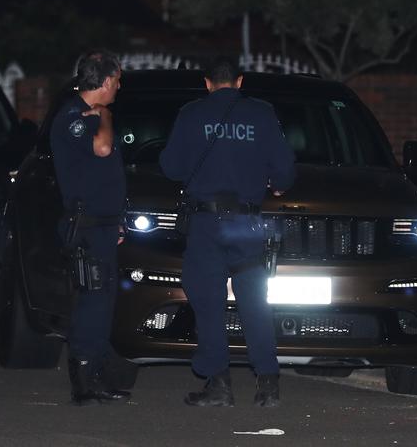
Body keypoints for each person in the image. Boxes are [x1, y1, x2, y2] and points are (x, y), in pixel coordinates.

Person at [159, 56, 295, 407]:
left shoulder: (191, 113)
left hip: (205, 224)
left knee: (208, 305)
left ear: (207, 82)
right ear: (239, 81)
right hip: (247, 223)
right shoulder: (261, 113)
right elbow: (284, 169)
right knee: (254, 302)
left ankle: (218, 385)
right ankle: (268, 383)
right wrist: (276, 184)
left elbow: (170, 166)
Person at [50, 50, 130, 405]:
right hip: (86, 226)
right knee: (93, 302)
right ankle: (83, 379)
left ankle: (96, 375)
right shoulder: (73, 117)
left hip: (103, 224)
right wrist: (106, 116)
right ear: (107, 80)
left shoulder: (89, 115)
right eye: (118, 81)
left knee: (104, 301)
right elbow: (102, 148)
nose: (119, 87)